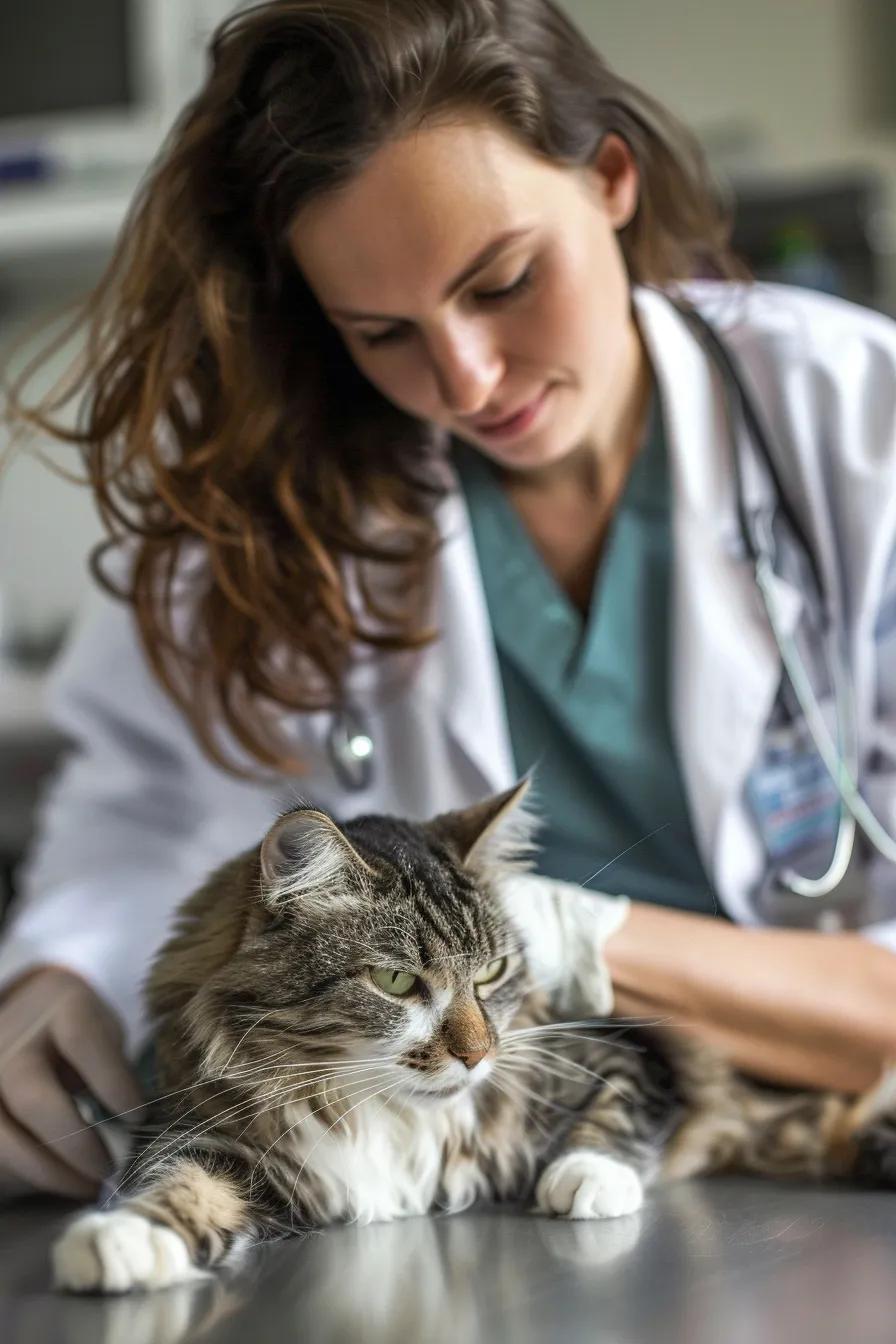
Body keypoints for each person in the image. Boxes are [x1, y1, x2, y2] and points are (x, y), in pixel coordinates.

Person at [2, 0, 896, 1204]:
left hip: (803, 1158)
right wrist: (61, 971)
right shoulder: (278, 510)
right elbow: (147, 813)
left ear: (611, 179)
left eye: (505, 280)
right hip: (472, 1178)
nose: (466, 379)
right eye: (382, 333)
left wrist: (578, 941)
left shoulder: (855, 425)